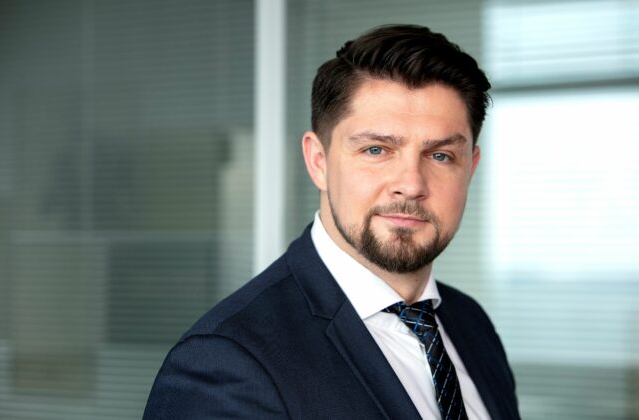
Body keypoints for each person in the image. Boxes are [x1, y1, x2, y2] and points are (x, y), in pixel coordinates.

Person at [143, 24, 519, 420]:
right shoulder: (228, 362)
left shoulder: (471, 325)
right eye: (376, 150)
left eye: (441, 156)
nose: (411, 185)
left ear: (470, 167)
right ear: (318, 161)